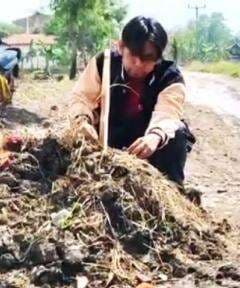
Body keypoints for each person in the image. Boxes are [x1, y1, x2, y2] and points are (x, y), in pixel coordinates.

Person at [69, 16, 196, 188]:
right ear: (121, 47)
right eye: (133, 55)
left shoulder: (170, 77)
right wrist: (81, 120)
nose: (138, 64)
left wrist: (155, 136)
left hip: (147, 146)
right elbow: (82, 97)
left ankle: (173, 190)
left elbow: (168, 114)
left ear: (158, 58)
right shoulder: (103, 64)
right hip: (108, 141)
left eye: (147, 58)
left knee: (177, 132)